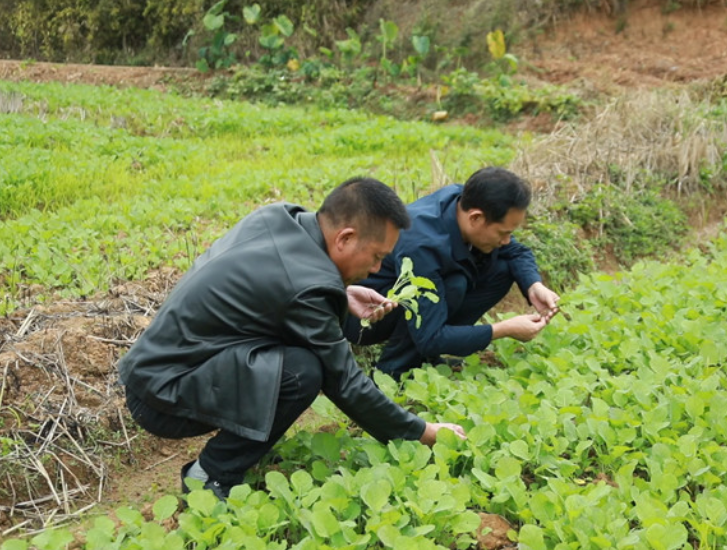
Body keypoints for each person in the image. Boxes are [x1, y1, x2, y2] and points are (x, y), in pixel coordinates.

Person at [118, 177, 466, 500]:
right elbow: (344, 382)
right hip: (162, 397)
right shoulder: (308, 288)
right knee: (302, 372)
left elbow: (274, 284)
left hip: (156, 368)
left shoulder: (280, 216)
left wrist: (340, 294)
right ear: (344, 238)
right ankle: (209, 476)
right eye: (376, 257)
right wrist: (421, 431)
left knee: (299, 360)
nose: (377, 269)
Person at [344, 167, 561, 379]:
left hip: (409, 295)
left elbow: (515, 251)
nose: (506, 240)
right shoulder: (422, 245)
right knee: (454, 284)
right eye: (503, 233)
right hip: (367, 312)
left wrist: (534, 286)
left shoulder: (464, 202)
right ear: (476, 218)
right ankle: (392, 373)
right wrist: (501, 329)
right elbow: (429, 336)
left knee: (502, 269)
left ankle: (424, 359)